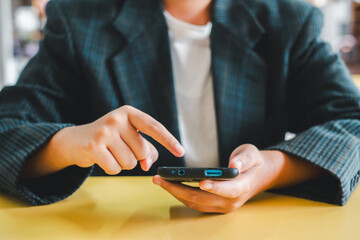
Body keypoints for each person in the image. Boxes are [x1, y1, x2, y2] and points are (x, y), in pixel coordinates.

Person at [0, 0, 359, 214]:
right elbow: (7, 129)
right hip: (122, 227)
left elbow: (352, 121)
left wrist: (272, 168)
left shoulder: (287, 18)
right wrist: (70, 142)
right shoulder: (81, 19)